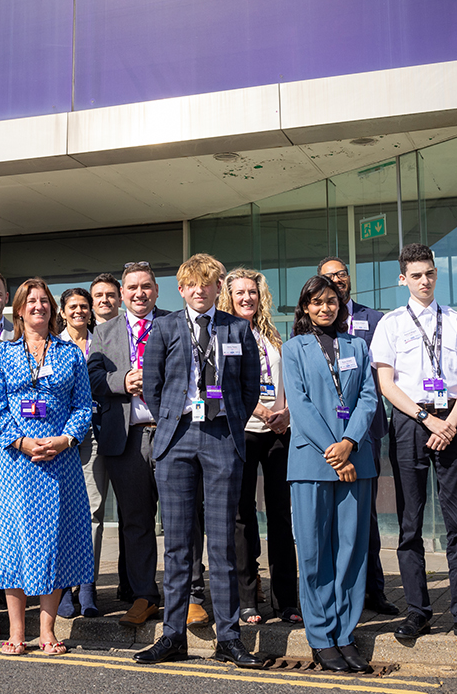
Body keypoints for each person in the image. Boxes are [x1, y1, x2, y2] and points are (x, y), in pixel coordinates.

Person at [371, 243, 457, 642]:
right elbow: (386, 384)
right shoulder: (391, 324)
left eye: (429, 273)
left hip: (453, 422)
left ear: (436, 274)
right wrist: (428, 419)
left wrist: (448, 424)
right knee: (410, 526)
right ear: (402, 279)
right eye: (415, 275)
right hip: (411, 422)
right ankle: (418, 612)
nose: (424, 280)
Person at [137, 253, 262, 668]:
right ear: (182, 288)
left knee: (223, 542)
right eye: (193, 284)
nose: (200, 290)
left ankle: (228, 637)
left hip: (223, 436)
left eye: (208, 284)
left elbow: (249, 387)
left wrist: (232, 422)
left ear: (216, 288)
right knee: (177, 546)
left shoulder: (237, 328)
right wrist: (172, 419)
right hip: (177, 439)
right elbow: (152, 386)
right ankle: (173, 636)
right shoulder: (164, 327)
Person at [0, 277, 93, 656]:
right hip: (16, 462)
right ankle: (17, 631)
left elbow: (83, 405)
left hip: (59, 461)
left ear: (54, 309)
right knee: (14, 543)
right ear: (19, 309)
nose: (38, 307)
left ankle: (47, 630)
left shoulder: (71, 354)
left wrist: (65, 440)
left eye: (44, 301)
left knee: (56, 542)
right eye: (31, 301)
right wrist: (20, 440)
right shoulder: (2, 354)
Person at [282, 275, 377, 672]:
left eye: (332, 301)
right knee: (317, 552)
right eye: (317, 302)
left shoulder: (357, 345)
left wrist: (350, 443)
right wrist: (334, 451)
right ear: (305, 307)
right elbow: (300, 405)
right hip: (312, 462)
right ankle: (321, 638)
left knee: (351, 551)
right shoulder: (293, 348)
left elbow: (370, 397)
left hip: (357, 458)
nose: (326, 308)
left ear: (341, 304)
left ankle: (345, 633)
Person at [87, 263, 168, 629]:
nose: (139, 294)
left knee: (183, 521)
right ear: (123, 292)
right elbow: (91, 377)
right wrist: (122, 380)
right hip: (128, 438)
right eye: (132, 287)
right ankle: (144, 596)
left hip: (172, 435)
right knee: (136, 522)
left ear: (156, 290)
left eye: (146, 287)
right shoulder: (103, 332)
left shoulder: (174, 322)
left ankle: (190, 596)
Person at [219, 268, 301, 626]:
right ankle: (248, 599)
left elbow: (287, 381)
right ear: (229, 296)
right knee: (242, 517)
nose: (247, 298)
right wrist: (262, 410)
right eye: (240, 293)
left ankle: (287, 601)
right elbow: (225, 383)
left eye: (252, 292)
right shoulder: (222, 333)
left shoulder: (271, 335)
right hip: (243, 430)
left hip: (278, 432)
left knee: (282, 517)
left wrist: (284, 413)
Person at [317, 257, 396, 616]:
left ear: (349, 279)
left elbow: (378, 380)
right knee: (331, 516)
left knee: (365, 515)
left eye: (341, 274)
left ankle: (373, 591)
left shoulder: (375, 320)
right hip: (326, 437)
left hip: (363, 433)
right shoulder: (310, 326)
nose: (336, 280)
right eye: (328, 277)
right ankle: (337, 591)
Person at [56, 287, 101, 619]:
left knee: (94, 511)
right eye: (73, 307)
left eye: (84, 307)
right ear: (62, 311)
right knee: (63, 511)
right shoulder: (54, 345)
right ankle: (64, 586)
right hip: (60, 438)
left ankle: (87, 585)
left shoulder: (103, 340)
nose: (79, 312)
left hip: (95, 434)